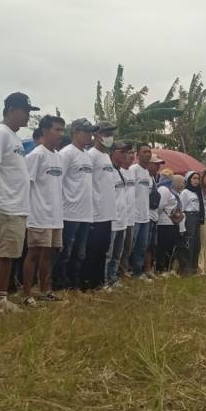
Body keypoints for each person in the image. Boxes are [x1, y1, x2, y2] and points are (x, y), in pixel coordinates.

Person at [0, 92, 37, 312]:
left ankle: (2, 297)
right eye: (25, 112)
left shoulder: (13, 137)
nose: (28, 117)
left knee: (10, 253)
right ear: (11, 109)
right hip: (5, 205)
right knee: (2, 254)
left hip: (16, 205)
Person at [22, 115, 66, 305]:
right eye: (57, 130)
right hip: (38, 214)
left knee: (48, 254)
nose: (60, 134)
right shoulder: (35, 156)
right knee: (33, 254)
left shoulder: (57, 156)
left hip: (55, 214)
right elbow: (26, 186)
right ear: (45, 131)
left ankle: (45, 290)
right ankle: (26, 293)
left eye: (62, 130)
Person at [52, 118, 96, 291]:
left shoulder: (86, 155)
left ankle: (73, 284)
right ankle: (59, 284)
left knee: (80, 252)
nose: (90, 136)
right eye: (87, 132)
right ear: (76, 132)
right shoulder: (66, 153)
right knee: (64, 252)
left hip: (85, 212)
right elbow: (58, 182)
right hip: (68, 212)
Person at [82, 121, 117, 290]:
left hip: (107, 211)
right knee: (93, 250)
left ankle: (99, 282)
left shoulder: (105, 156)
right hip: (95, 213)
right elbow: (88, 184)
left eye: (111, 134)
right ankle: (88, 283)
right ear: (96, 135)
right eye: (106, 133)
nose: (109, 137)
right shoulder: (92, 155)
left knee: (103, 249)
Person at [128, 143, 158, 280]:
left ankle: (138, 272)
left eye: (149, 152)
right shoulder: (133, 170)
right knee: (130, 247)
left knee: (142, 247)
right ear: (137, 154)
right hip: (134, 216)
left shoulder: (147, 173)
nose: (148, 154)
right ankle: (125, 272)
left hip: (145, 216)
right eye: (144, 151)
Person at [105, 141, 134, 289]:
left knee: (118, 253)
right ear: (112, 153)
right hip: (111, 220)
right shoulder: (107, 171)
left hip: (123, 220)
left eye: (126, 152)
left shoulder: (120, 172)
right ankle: (104, 281)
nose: (125, 155)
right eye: (122, 152)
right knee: (108, 254)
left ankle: (113, 277)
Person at [179, 171, 203, 276]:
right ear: (189, 179)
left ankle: (194, 267)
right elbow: (181, 208)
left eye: (198, 178)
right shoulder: (185, 192)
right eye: (194, 178)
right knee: (189, 241)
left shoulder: (198, 192)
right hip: (189, 216)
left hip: (198, 217)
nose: (196, 181)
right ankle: (186, 267)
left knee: (197, 242)